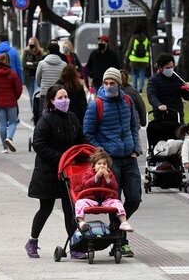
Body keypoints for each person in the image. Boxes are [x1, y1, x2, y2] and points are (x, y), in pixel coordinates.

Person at [83, 67, 141, 257]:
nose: (108, 86)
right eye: (106, 83)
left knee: (134, 198)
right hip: (110, 160)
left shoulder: (127, 100)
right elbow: (88, 133)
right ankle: (121, 243)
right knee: (114, 199)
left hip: (129, 156)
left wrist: (135, 148)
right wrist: (104, 155)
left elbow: (134, 125)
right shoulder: (96, 105)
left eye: (112, 83)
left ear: (119, 84)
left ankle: (114, 228)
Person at [25, 84, 85, 259]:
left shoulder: (72, 118)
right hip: (48, 172)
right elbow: (39, 144)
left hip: (68, 173)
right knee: (46, 208)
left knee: (70, 210)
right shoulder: (46, 120)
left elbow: (80, 140)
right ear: (52, 101)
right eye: (60, 98)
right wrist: (61, 157)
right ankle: (32, 241)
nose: (64, 100)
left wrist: (88, 152)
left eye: (66, 97)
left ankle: (74, 245)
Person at [75, 148, 134, 232]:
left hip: (106, 200)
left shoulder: (109, 174)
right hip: (91, 199)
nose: (102, 166)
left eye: (104, 164)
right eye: (99, 164)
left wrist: (108, 180)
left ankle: (124, 222)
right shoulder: (88, 173)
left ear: (108, 166)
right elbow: (85, 185)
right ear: (93, 166)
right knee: (79, 203)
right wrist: (96, 177)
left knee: (118, 202)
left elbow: (115, 186)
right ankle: (81, 222)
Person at [0, 54, 23, 153]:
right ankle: (9, 138)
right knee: (13, 122)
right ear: (8, 62)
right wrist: (15, 97)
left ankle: (4, 148)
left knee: (2, 123)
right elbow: (19, 89)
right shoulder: (13, 74)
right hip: (11, 101)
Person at [147, 53, 189, 124]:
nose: (170, 69)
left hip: (177, 115)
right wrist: (158, 105)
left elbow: (186, 97)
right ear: (160, 68)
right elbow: (151, 95)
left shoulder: (178, 78)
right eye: (167, 68)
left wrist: (188, 90)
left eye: (172, 67)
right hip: (161, 116)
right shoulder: (153, 80)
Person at [35, 42, 67, 119]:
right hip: (58, 93)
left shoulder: (41, 63)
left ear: (48, 51)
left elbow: (38, 79)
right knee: (58, 113)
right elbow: (65, 80)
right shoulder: (64, 64)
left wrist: (41, 85)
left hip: (45, 92)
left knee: (43, 114)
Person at [125, 28, 150, 93]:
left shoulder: (133, 38)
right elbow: (148, 49)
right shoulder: (146, 38)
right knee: (142, 74)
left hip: (134, 59)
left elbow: (130, 48)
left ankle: (134, 88)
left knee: (134, 73)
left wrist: (126, 58)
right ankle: (140, 89)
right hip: (144, 59)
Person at [22, 37, 43, 110]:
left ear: (36, 43)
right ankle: (33, 112)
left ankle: (36, 111)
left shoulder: (40, 52)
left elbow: (40, 63)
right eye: (29, 43)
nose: (30, 45)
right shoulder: (26, 51)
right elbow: (24, 64)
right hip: (28, 76)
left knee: (36, 94)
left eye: (32, 43)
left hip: (37, 76)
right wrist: (34, 66)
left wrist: (31, 64)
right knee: (31, 95)